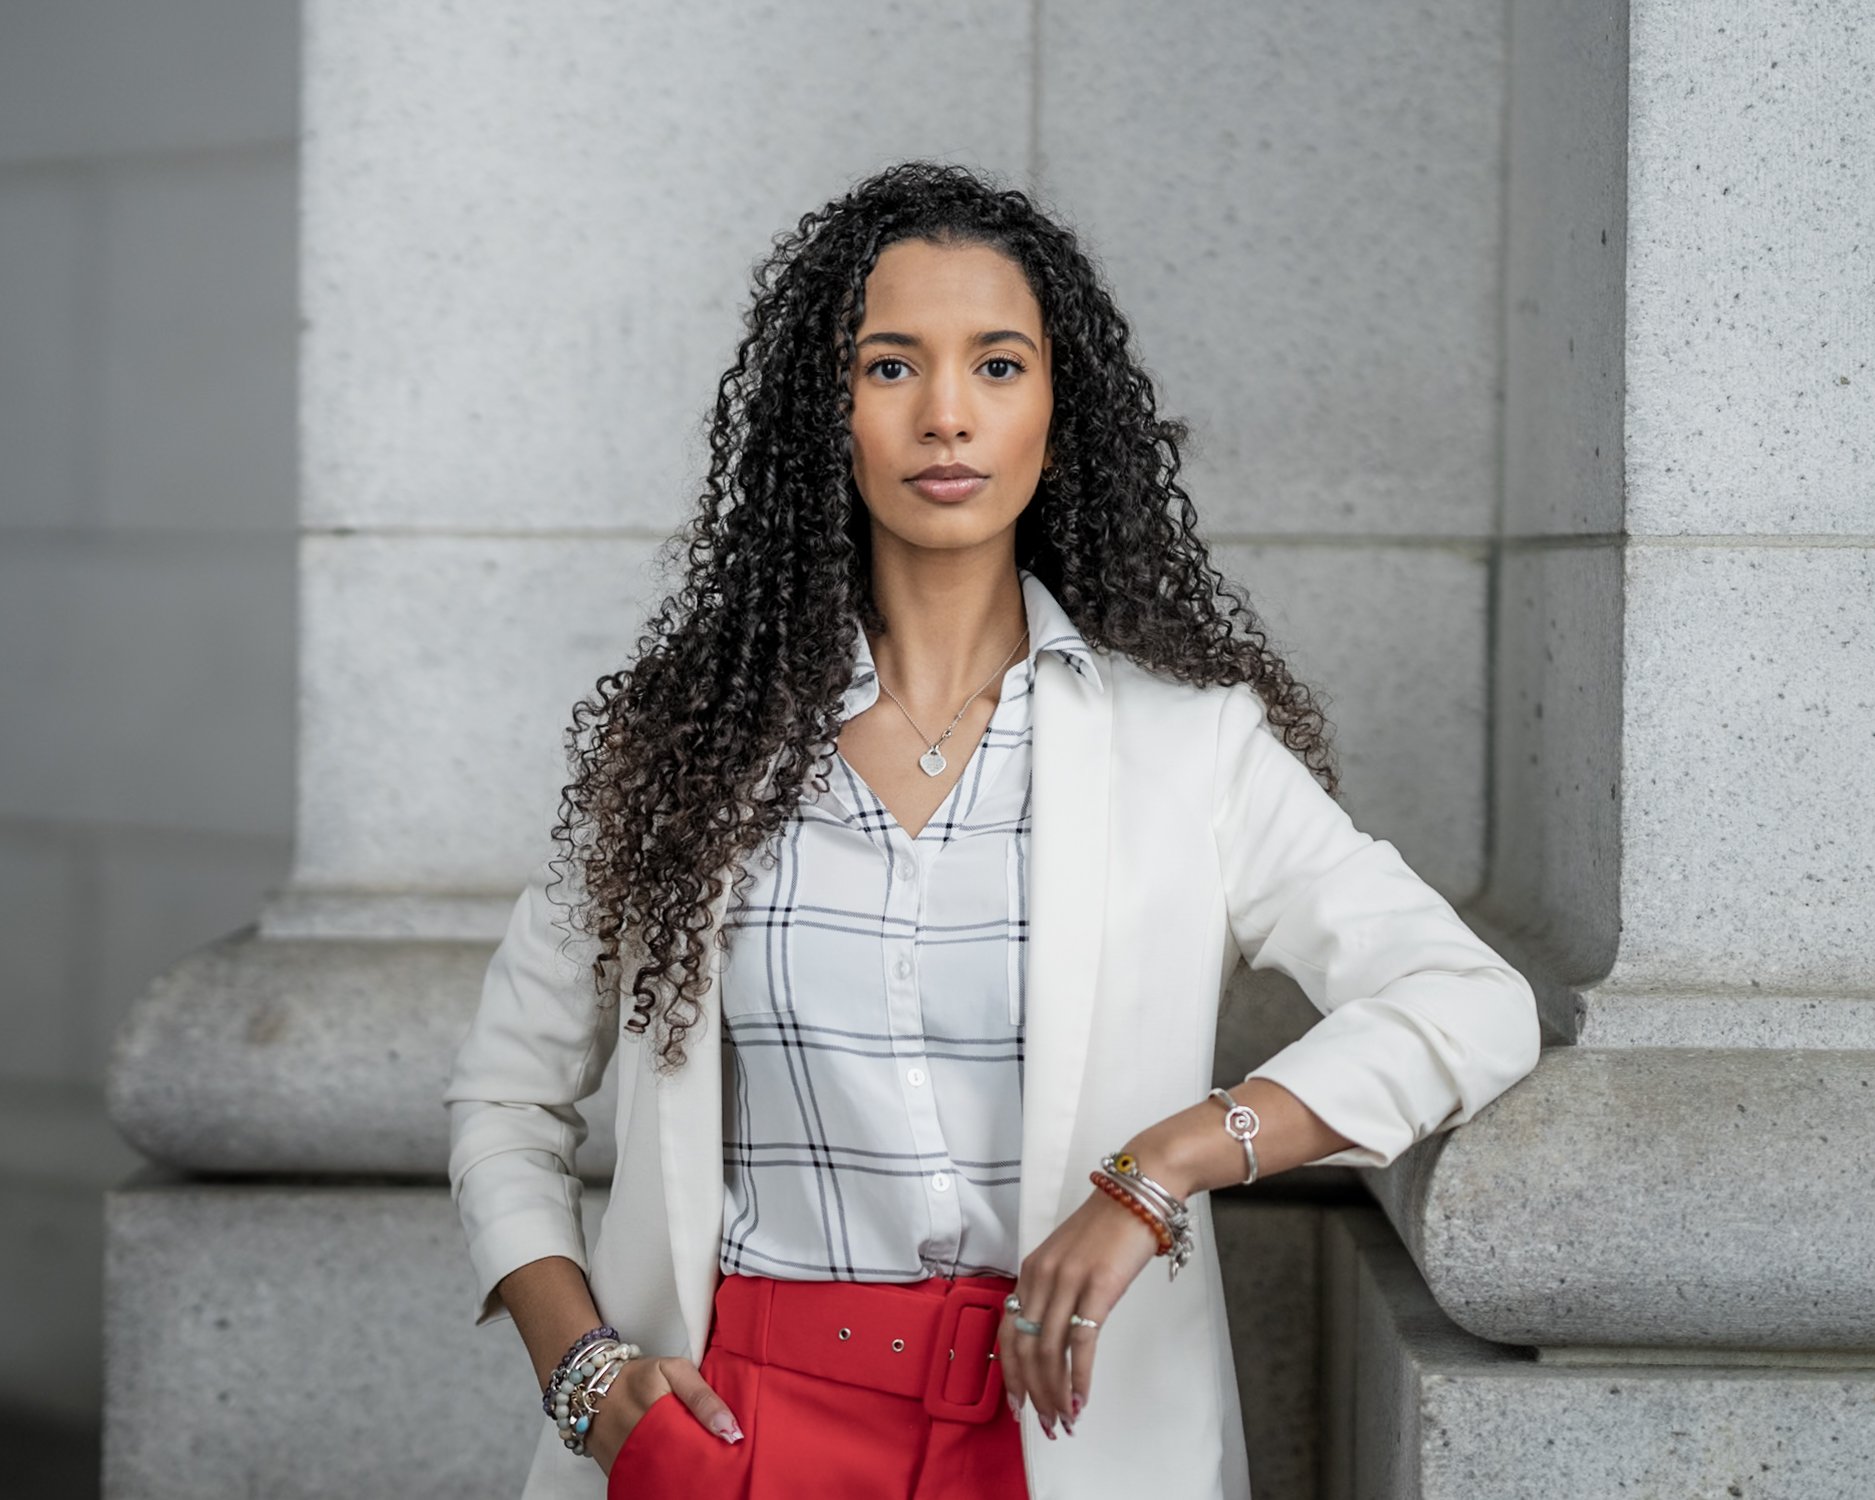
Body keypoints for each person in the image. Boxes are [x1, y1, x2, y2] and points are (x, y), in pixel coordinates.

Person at [443, 160, 1542, 1500]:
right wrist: (585, 1381)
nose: (947, 416)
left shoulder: (1185, 749)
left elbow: (1467, 1002)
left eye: (1000, 366)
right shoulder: (686, 748)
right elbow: (507, 1096)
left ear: (1056, 414)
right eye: (891, 367)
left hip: (1066, 1437)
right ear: (823, 416)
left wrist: (1163, 1168)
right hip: (733, 1427)